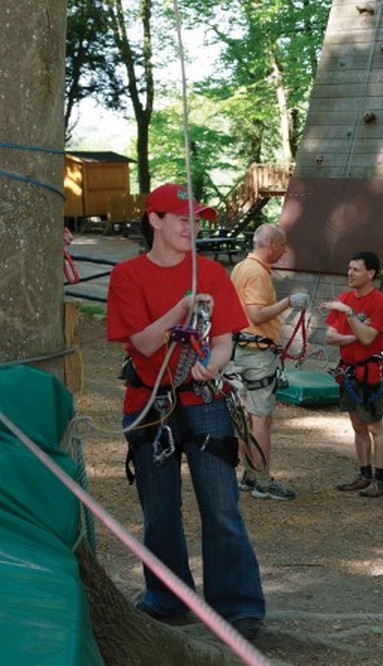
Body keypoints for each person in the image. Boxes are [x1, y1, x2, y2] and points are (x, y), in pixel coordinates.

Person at [106, 183, 265, 639]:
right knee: (160, 511)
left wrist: (209, 366)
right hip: (150, 404)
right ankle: (168, 599)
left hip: (205, 403)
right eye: (183, 220)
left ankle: (237, 607)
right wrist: (179, 308)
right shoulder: (129, 276)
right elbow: (142, 343)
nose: (192, 228)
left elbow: (224, 340)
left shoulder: (211, 272)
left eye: (197, 221)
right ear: (155, 220)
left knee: (221, 507)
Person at [227, 224, 305, 501]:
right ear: (270, 245)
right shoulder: (257, 273)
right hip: (256, 354)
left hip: (240, 350)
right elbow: (257, 315)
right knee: (260, 418)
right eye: (282, 246)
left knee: (248, 417)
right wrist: (288, 303)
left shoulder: (241, 268)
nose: (284, 252)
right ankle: (262, 480)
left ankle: (249, 474)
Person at [325, 250, 383, 498]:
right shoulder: (344, 298)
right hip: (348, 370)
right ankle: (364, 475)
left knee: (375, 426)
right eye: (349, 268)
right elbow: (329, 336)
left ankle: (381, 479)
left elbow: (368, 338)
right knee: (357, 425)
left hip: (370, 372)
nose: (349, 273)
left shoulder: (380, 303)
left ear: (370, 273)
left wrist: (350, 315)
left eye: (356, 269)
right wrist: (355, 335)